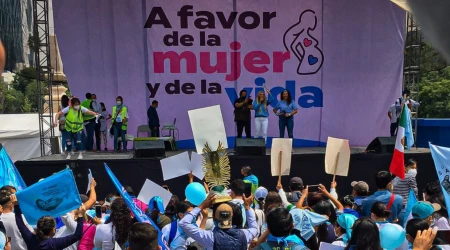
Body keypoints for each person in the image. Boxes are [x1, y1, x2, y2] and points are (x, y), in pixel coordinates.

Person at [179, 193, 258, 250]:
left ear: (213, 217)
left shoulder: (210, 237)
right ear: (232, 215)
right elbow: (254, 228)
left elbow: (183, 223)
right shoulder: (244, 234)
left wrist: (202, 206)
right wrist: (247, 207)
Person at [13, 194, 86, 250]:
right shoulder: (54, 243)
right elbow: (77, 235)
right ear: (52, 230)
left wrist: (16, 206)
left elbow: (20, 225)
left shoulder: (30, 238)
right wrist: (80, 215)